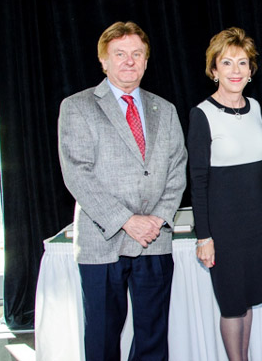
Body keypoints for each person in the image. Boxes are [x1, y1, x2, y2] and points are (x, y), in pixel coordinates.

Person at [58, 21, 187, 361]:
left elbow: (177, 171)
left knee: (153, 337)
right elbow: (78, 175)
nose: (129, 61)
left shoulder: (166, 110)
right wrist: (127, 220)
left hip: (154, 240)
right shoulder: (77, 106)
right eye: (120, 54)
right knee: (102, 338)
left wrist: (157, 219)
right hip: (103, 241)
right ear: (104, 61)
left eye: (137, 54)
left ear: (146, 61)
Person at [187, 27, 262, 361]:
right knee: (231, 306)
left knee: (247, 300)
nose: (235, 70)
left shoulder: (256, 107)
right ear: (213, 70)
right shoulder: (202, 114)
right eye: (226, 63)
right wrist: (205, 236)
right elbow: (197, 181)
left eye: (242, 63)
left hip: (257, 221)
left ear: (251, 70)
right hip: (224, 228)